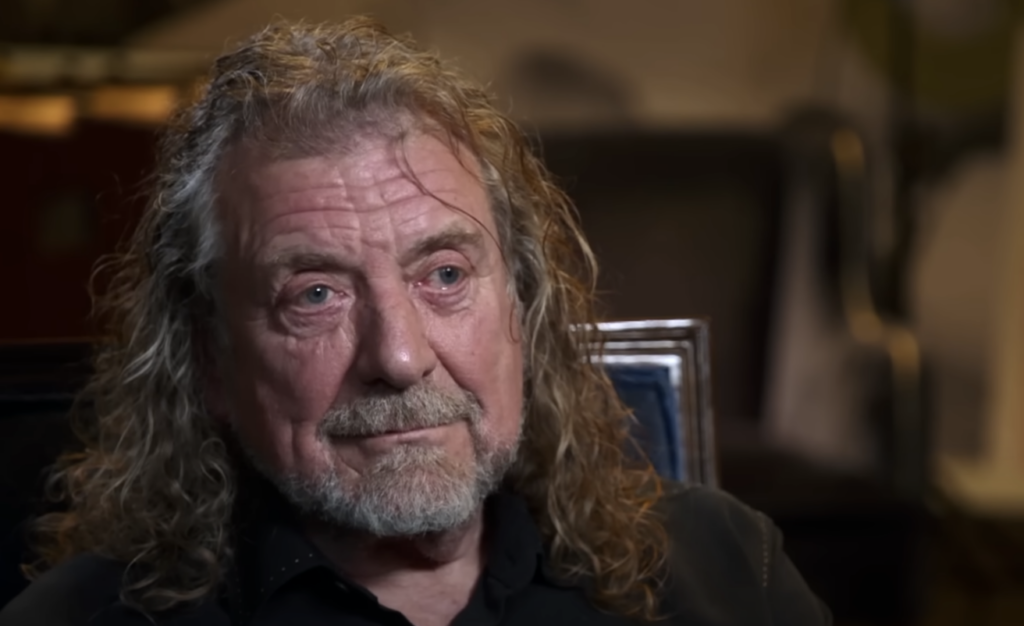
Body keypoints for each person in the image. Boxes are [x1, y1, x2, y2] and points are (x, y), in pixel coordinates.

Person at [0, 17, 830, 626]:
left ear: (522, 312)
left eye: (443, 275)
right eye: (315, 295)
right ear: (210, 361)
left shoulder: (724, 572)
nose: (399, 356)